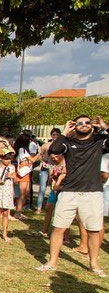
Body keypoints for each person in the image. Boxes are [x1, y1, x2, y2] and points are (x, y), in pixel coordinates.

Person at [38, 115, 109, 277]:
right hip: (69, 191)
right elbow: (54, 150)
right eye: (80, 123)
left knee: (94, 230)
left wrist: (105, 127)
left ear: (92, 126)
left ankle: (94, 264)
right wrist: (64, 133)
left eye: (87, 122)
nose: (84, 125)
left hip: (93, 192)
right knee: (58, 228)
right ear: (73, 126)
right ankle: (52, 262)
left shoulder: (99, 141)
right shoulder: (67, 143)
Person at [12, 131, 40, 219]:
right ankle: (18, 212)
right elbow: (32, 160)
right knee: (23, 193)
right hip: (24, 171)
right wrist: (40, 153)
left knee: (26, 192)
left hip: (25, 171)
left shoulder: (20, 149)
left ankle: (19, 210)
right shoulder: (23, 150)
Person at [36, 128, 62, 211]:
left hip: (56, 168)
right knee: (42, 187)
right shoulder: (46, 145)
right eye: (54, 135)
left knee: (54, 187)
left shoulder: (62, 145)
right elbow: (39, 155)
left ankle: (54, 206)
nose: (55, 136)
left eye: (57, 135)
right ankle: (39, 207)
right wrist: (42, 161)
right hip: (45, 167)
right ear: (51, 135)